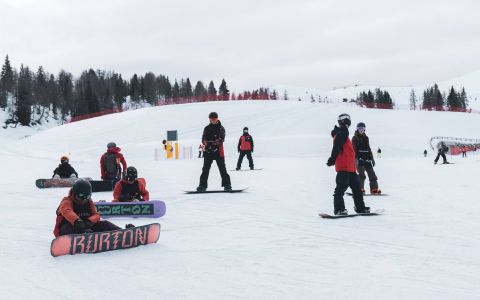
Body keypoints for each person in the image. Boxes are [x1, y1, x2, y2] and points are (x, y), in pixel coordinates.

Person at [326, 113, 369, 215]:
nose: (347, 123)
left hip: (351, 168)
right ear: (342, 122)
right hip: (343, 168)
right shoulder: (341, 134)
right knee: (340, 189)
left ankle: (360, 208)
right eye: (346, 121)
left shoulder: (344, 134)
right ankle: (339, 209)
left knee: (357, 190)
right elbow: (336, 147)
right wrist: (332, 159)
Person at [53, 179, 122, 237]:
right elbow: (67, 211)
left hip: (86, 227)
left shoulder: (88, 201)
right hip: (66, 230)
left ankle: (123, 233)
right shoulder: (67, 201)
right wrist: (77, 221)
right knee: (69, 228)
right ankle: (85, 235)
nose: (84, 199)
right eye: (81, 196)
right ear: (74, 193)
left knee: (105, 224)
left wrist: (89, 221)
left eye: (87, 196)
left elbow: (96, 214)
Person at [197, 112, 232, 192]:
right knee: (205, 169)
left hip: (218, 152)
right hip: (208, 152)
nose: (213, 120)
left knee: (222, 169)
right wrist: (205, 142)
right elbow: (203, 138)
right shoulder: (206, 128)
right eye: (211, 119)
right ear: (209, 119)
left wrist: (213, 143)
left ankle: (227, 185)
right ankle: (202, 186)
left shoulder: (221, 128)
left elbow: (221, 140)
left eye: (214, 119)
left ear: (217, 119)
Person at [351, 122, 381, 195]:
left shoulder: (366, 138)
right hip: (359, 159)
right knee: (361, 175)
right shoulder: (355, 138)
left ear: (364, 129)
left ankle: (374, 189)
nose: (361, 130)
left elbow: (368, 149)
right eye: (359, 129)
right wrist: (356, 159)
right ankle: (359, 189)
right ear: (357, 129)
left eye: (362, 129)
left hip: (367, 158)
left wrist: (372, 158)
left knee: (372, 174)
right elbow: (353, 149)